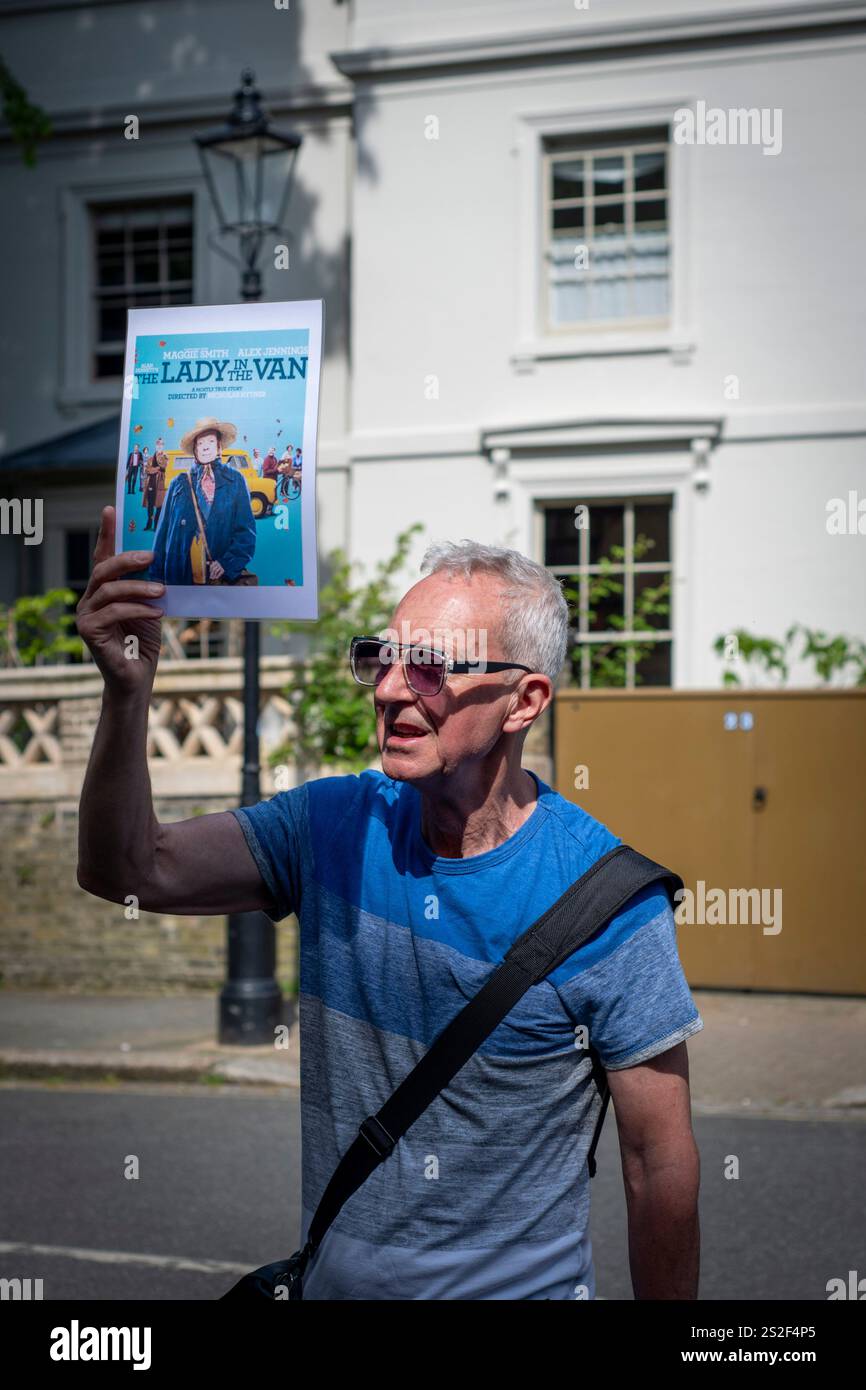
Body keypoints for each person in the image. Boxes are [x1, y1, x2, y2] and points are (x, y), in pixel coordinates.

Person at [75, 530, 703, 1301]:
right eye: (386, 656)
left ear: (524, 700)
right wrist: (126, 691)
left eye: (433, 667)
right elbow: (128, 869)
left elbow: (656, 1163)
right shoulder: (331, 828)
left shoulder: (610, 902)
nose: (391, 688)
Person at [146, 417, 255, 584]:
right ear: (195, 449)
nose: (205, 447)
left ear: (219, 446)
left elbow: (246, 533)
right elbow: (162, 535)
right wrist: (156, 578)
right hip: (180, 578)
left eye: (211, 441)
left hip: (218, 584)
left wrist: (226, 563)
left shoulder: (236, 480)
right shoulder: (178, 483)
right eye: (200, 443)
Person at [142, 449, 167, 532]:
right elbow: (147, 470)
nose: (159, 453)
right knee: (150, 506)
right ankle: (149, 524)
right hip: (150, 486)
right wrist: (156, 469)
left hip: (160, 488)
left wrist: (161, 459)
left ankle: (156, 526)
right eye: (157, 453)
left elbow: (164, 467)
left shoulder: (164, 459)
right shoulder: (150, 459)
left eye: (160, 452)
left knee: (159, 507)